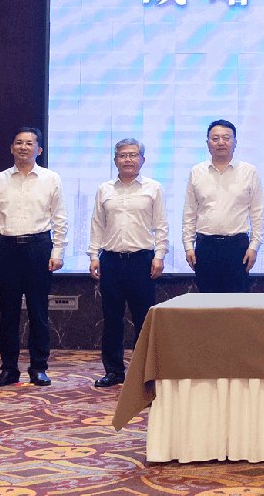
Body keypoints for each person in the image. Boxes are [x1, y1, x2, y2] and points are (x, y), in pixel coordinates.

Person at [0, 128, 68, 387]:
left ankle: (38, 368)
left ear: (39, 149)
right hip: (6, 249)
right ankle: (9, 369)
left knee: (39, 311)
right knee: (8, 313)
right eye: (18, 142)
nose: (23, 147)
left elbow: (60, 219)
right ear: (11, 148)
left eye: (29, 143)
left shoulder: (51, 179)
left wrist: (58, 252)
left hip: (38, 248)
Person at [88, 138, 168, 388]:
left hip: (141, 261)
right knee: (112, 319)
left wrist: (159, 255)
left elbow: (161, 225)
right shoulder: (104, 189)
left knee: (144, 319)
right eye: (123, 155)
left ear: (142, 160)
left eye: (133, 155)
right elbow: (97, 224)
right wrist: (93, 255)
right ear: (115, 161)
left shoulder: (153, 188)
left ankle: (144, 373)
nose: (128, 160)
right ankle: (114, 371)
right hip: (111, 260)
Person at [182, 119, 264, 293]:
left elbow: (257, 214)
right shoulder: (197, 172)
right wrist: (188, 246)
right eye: (215, 138)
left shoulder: (249, 172)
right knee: (207, 301)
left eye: (226, 138)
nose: (221, 142)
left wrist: (253, 247)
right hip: (206, 247)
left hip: (237, 247)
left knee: (237, 302)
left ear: (235, 142)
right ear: (208, 143)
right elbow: (189, 213)